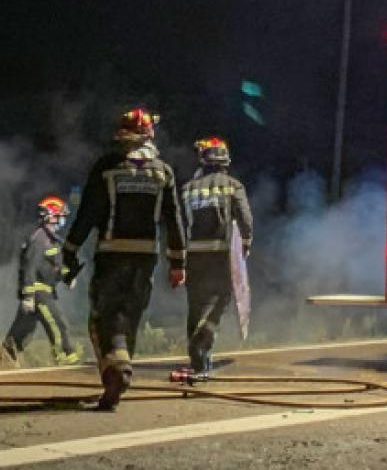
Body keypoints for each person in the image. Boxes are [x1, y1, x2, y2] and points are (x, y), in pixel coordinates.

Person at [62, 107, 187, 411]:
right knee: (130, 314)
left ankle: (116, 371)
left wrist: (69, 249)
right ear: (149, 134)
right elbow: (174, 219)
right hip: (146, 258)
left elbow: (88, 213)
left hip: (111, 254)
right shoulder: (163, 172)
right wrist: (177, 263)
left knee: (103, 316)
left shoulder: (107, 167)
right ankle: (120, 368)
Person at [181, 137, 253, 375]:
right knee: (220, 300)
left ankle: (197, 359)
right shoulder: (233, 185)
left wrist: (176, 255)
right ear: (225, 159)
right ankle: (203, 339)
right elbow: (245, 218)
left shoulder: (188, 188)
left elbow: (179, 222)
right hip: (221, 254)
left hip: (193, 254)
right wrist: (245, 243)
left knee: (195, 303)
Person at [0, 196, 81, 368]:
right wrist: (28, 295)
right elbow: (29, 267)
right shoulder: (38, 239)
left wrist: (67, 277)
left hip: (43, 291)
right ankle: (64, 356)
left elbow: (55, 266)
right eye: (60, 215)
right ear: (50, 216)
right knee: (57, 323)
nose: (62, 219)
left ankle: (5, 359)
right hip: (38, 292)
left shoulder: (53, 240)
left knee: (22, 330)